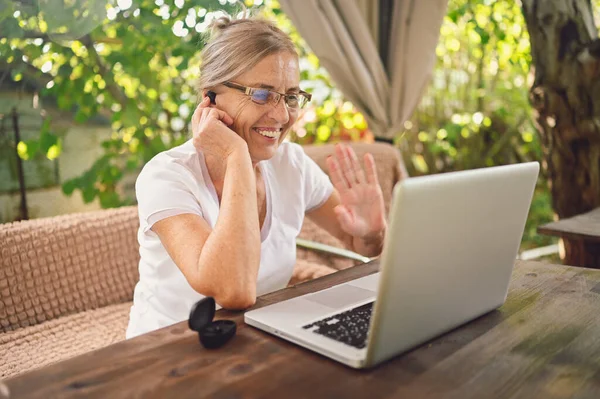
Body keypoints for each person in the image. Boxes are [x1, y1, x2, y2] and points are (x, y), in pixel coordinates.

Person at [126, 15, 387, 338]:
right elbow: (233, 291)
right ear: (211, 98)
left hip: (257, 341)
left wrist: (372, 232)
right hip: (165, 354)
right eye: (261, 95)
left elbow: (357, 242)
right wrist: (236, 157)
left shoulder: (292, 164)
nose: (281, 116)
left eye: (290, 96)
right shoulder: (166, 177)